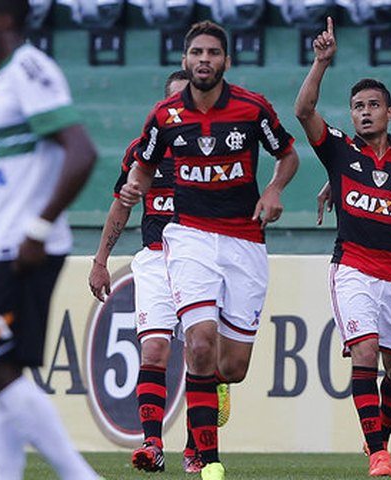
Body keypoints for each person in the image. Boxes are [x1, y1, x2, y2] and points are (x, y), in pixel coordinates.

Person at [119, 20, 299, 480]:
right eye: (196, 52)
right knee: (198, 342)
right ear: (185, 60)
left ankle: (214, 390)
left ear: (226, 61)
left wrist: (274, 190)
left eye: (212, 53)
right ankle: (207, 459)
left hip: (244, 239)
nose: (204, 60)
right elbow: (142, 167)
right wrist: (134, 189)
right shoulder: (164, 116)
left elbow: (288, 155)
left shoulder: (251, 108)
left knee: (230, 366)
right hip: (189, 237)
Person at [0, 0, 102, 478]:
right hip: (1, 247)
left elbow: (80, 152)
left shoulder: (28, 69)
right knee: (5, 376)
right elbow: (11, 180)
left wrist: (36, 230)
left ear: (3, 18)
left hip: (23, 251)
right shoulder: (3, 80)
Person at [295, 18, 391, 477]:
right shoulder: (339, 151)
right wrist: (321, 62)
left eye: (373, 105)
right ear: (351, 115)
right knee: (365, 353)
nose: (365, 112)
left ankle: (378, 438)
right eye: (357, 106)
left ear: (390, 113)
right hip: (353, 267)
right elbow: (304, 110)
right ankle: (377, 453)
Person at [88, 70, 230, 474]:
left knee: (201, 354)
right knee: (153, 350)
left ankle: (196, 448)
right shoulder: (142, 152)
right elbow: (121, 204)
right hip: (155, 257)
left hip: (203, 259)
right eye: (174, 102)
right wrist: (100, 261)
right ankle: (152, 444)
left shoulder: (216, 147)